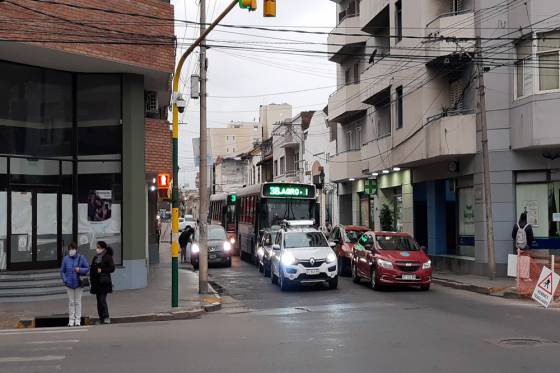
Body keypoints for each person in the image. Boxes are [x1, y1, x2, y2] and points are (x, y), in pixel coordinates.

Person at [60, 242, 89, 327]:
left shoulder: (81, 258)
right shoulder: (65, 259)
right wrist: (65, 280)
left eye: (72, 249)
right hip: (69, 284)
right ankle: (71, 320)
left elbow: (87, 268)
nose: (71, 251)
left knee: (78, 302)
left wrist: (79, 270)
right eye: (69, 249)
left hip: (78, 283)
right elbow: (62, 271)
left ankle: (78, 320)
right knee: (71, 302)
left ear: (76, 250)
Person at [90, 241, 115, 325]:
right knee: (98, 301)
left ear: (103, 248)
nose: (97, 249)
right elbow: (92, 269)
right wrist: (91, 281)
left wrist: (102, 270)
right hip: (96, 283)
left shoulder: (108, 257)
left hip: (104, 282)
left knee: (102, 300)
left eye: (98, 247)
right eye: (96, 247)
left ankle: (106, 317)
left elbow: (112, 268)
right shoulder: (95, 257)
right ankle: (101, 318)